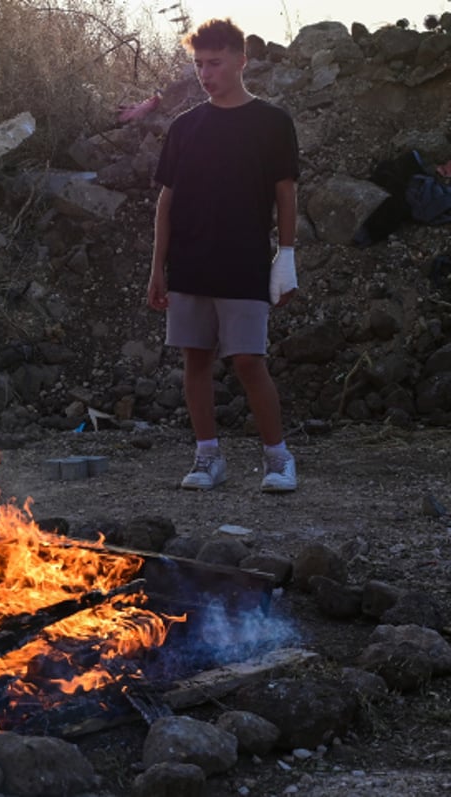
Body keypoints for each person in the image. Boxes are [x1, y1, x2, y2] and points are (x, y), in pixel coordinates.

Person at [146, 18, 300, 492]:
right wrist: (157, 269)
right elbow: (166, 201)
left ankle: (278, 459)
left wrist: (286, 256)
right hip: (190, 264)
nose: (206, 74)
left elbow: (285, 193)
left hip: (245, 261)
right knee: (195, 359)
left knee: (249, 361)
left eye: (214, 63)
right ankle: (208, 456)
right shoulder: (185, 127)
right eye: (198, 65)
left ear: (241, 60)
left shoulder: (273, 122)